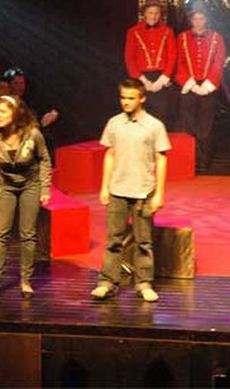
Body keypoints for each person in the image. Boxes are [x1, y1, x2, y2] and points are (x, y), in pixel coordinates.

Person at [91, 78, 170, 303]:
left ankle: (144, 283)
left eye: (131, 98)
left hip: (143, 190)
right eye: (123, 97)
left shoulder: (154, 125)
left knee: (143, 241)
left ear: (142, 98)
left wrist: (160, 193)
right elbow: (110, 154)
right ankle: (107, 282)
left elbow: (161, 159)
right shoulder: (114, 123)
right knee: (113, 239)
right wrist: (105, 186)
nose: (126, 102)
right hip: (118, 189)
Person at [0, 95, 51, 299]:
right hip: (5, 185)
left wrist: (45, 190)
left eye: (3, 111)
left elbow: (44, 159)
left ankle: (26, 280)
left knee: (27, 234)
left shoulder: (32, 134)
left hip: (30, 184)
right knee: (0, 234)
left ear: (15, 113)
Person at [174, 1, 226, 170]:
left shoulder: (217, 38)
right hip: (188, 86)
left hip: (207, 87)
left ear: (206, 20)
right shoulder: (182, 38)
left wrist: (206, 86)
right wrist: (191, 84)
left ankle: (204, 161)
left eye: (201, 18)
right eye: (195, 19)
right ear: (191, 20)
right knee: (187, 124)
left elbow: (218, 64)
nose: (198, 22)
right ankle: (189, 160)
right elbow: (179, 63)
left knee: (206, 125)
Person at [124, 0, 177, 126]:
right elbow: (129, 59)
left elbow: (172, 57)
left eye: (156, 13)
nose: (153, 16)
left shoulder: (168, 31)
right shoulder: (133, 31)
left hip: (161, 78)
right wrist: (144, 81)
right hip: (141, 78)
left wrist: (162, 80)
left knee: (161, 115)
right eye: (150, 13)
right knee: (140, 116)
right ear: (144, 13)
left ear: (160, 14)